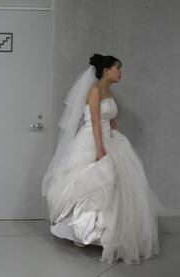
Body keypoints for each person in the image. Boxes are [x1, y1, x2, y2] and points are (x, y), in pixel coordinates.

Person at [42, 54, 161, 264]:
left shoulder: (109, 92)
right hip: (92, 140)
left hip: (109, 139)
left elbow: (111, 121)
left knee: (116, 184)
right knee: (92, 183)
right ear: (106, 70)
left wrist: (117, 141)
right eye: (117, 68)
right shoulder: (94, 91)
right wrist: (99, 150)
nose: (120, 72)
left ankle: (108, 232)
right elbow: (96, 121)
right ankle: (82, 232)